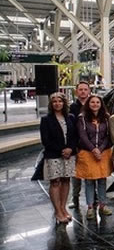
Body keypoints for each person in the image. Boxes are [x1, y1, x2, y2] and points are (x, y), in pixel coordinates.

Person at [39, 92, 77, 224]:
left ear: (64, 103)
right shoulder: (46, 120)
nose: (57, 103)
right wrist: (62, 150)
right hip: (54, 155)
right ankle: (57, 211)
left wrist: (70, 149)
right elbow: (46, 140)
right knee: (55, 182)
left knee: (66, 180)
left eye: (60, 101)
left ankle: (63, 208)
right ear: (51, 104)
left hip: (69, 155)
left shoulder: (71, 117)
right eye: (54, 101)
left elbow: (75, 137)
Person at [75, 95, 114, 220]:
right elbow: (82, 135)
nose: (95, 104)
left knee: (102, 180)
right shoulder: (82, 118)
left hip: (103, 152)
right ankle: (90, 207)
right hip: (87, 153)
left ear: (101, 104)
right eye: (92, 102)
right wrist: (93, 149)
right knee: (89, 181)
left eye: (98, 102)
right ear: (88, 103)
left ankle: (103, 205)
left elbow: (109, 135)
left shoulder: (107, 117)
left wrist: (100, 149)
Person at [69, 81, 91, 209]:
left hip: (91, 145)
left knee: (91, 173)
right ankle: (75, 198)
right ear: (77, 91)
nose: (83, 92)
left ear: (89, 91)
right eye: (80, 89)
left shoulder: (93, 105)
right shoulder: (72, 107)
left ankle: (93, 198)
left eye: (85, 89)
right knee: (76, 174)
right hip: (77, 145)